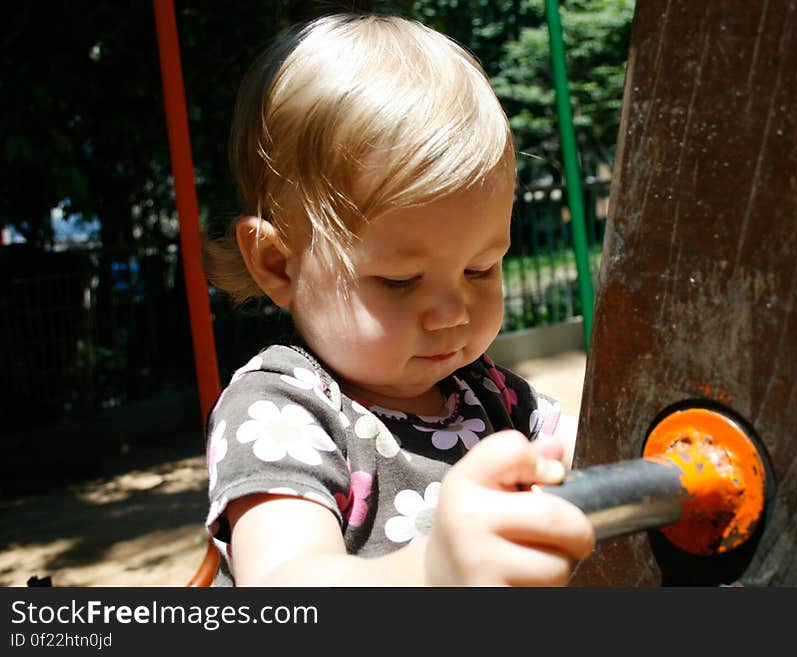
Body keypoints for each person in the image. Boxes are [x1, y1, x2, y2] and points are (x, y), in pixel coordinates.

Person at [202, 12, 594, 586]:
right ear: (277, 264)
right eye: (400, 281)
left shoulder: (488, 393)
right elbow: (284, 586)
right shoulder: (282, 411)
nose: (453, 313)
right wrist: (435, 572)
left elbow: (604, 449)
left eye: (480, 269)